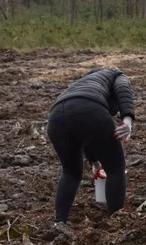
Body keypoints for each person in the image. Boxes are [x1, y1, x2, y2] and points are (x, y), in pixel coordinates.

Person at [46, 67, 135, 224]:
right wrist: (127, 119)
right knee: (115, 168)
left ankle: (59, 222)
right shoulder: (117, 75)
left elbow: (86, 133)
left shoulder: (81, 82)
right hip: (91, 110)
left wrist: (95, 163)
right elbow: (123, 89)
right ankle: (117, 221)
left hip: (56, 117)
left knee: (70, 172)